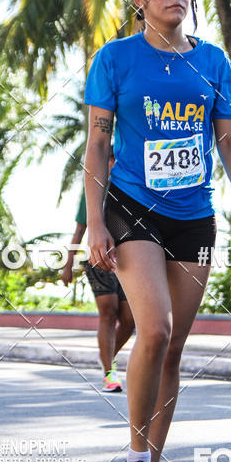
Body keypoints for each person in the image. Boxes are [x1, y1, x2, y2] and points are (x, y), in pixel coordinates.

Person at [84, 0, 231, 462]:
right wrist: (94, 222)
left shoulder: (212, 62)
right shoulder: (114, 59)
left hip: (194, 214)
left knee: (173, 351)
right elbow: (96, 144)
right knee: (156, 328)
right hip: (132, 205)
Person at [61, 148, 135, 392]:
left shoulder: (132, 188)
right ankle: (109, 371)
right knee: (108, 311)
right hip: (98, 256)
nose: (112, 164)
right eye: (109, 160)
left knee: (129, 319)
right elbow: (80, 229)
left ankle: (107, 355)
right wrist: (68, 263)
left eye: (115, 160)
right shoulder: (93, 189)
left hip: (130, 259)